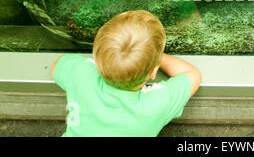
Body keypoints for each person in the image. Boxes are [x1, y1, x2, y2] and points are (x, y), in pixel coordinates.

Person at [51, 10, 201, 136]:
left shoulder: (80, 73)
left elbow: (56, 65)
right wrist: (155, 58)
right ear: (154, 70)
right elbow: (192, 74)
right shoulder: (155, 104)